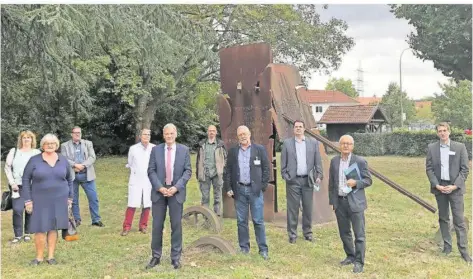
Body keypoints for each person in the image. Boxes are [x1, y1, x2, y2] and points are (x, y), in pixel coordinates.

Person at [22, 133, 73, 265]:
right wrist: (28, 200)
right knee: (40, 227)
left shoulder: (63, 160)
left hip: (60, 198)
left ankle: (51, 257)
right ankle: (39, 257)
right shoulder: (34, 160)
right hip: (39, 199)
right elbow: (26, 180)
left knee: (53, 227)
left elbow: (70, 179)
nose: (50, 145)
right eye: (47, 143)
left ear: (56, 145)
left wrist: (70, 198)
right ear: (42, 145)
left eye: (53, 143)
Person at [146, 123, 191, 270]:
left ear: (176, 134)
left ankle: (175, 257)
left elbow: (187, 172)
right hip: (159, 193)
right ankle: (156, 256)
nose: (169, 136)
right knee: (157, 226)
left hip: (175, 192)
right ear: (163, 135)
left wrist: (176, 187)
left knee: (176, 226)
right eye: (166, 134)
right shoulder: (155, 150)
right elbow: (151, 170)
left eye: (171, 133)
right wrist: (159, 187)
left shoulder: (184, 150)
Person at [426, 122, 471, 263]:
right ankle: (447, 246)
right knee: (443, 218)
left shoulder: (459, 147)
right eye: (440, 131)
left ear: (449, 132)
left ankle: (464, 251)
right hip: (440, 187)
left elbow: (465, 170)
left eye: (445, 130)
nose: (442, 133)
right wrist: (436, 185)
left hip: (455, 189)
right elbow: (429, 169)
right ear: (437, 133)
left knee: (459, 220)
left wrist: (455, 186)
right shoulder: (432, 148)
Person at [328, 135, 372, 273]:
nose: (346, 146)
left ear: (352, 146)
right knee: (344, 232)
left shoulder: (359, 161)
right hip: (340, 203)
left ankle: (359, 262)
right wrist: (333, 202)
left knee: (359, 234)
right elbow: (331, 183)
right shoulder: (334, 161)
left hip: (355, 203)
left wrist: (356, 183)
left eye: (348, 143)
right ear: (339, 145)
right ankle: (350, 256)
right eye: (343, 143)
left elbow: (368, 180)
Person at [224, 125, 269, 260]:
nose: (243, 136)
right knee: (241, 221)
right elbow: (228, 171)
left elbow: (266, 168)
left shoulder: (259, 150)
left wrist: (262, 187)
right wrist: (228, 187)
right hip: (239, 191)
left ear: (250, 134)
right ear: (237, 137)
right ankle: (244, 248)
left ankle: (263, 249)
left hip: (255, 191)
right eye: (240, 135)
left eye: (245, 133)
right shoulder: (233, 151)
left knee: (258, 221)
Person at [281, 120, 323, 243]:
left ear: (304, 129)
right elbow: (283, 162)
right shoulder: (287, 144)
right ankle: (292, 234)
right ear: (293, 129)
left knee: (307, 208)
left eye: (300, 127)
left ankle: (308, 233)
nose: (298, 129)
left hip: (308, 180)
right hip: (293, 180)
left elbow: (317, 161)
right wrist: (285, 175)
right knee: (292, 208)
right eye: (296, 127)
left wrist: (319, 175)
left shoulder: (313, 143)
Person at [61, 126, 104, 227]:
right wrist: (75, 165)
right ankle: (76, 220)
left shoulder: (88, 143)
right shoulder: (64, 145)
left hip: (87, 175)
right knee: (73, 199)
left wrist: (83, 165)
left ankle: (96, 220)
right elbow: (64, 158)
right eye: (75, 133)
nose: (77, 134)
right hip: (72, 176)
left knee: (93, 198)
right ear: (71, 134)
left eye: (79, 133)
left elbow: (92, 157)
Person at [4, 130, 41, 244]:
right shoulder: (14, 151)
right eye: (24, 137)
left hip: (32, 186)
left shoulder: (36, 152)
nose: (26, 140)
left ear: (32, 139)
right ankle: (18, 235)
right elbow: (7, 167)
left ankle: (27, 233)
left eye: (28, 137)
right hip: (17, 186)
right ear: (21, 139)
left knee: (29, 210)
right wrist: (12, 182)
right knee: (17, 209)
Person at [121, 129, 156, 236]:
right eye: (144, 134)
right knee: (132, 203)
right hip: (136, 179)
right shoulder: (133, 149)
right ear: (140, 136)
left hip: (149, 180)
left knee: (147, 204)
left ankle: (143, 226)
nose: (147, 136)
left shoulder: (154, 148)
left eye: (148, 134)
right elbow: (130, 163)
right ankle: (126, 227)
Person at [196, 125, 227, 216]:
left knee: (217, 196)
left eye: (213, 131)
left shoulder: (220, 144)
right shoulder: (202, 144)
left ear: (216, 132)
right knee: (205, 197)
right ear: (207, 132)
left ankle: (216, 215)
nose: (211, 132)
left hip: (217, 174)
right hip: (205, 173)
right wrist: (198, 173)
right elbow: (198, 160)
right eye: (210, 131)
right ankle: (206, 215)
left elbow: (226, 158)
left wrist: (222, 168)